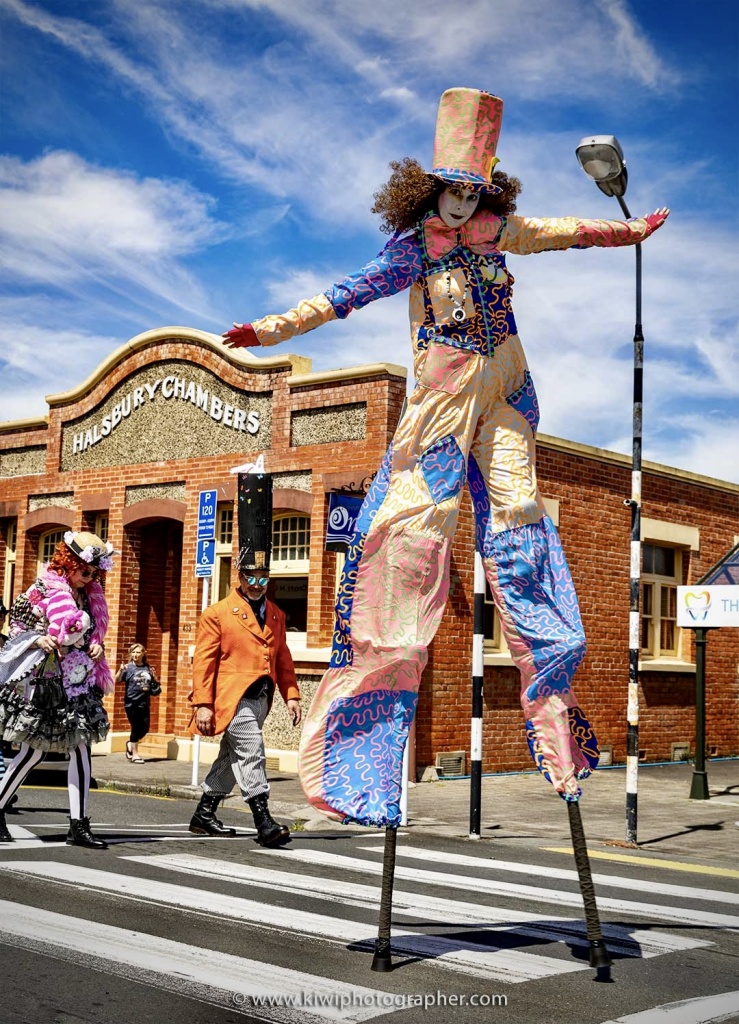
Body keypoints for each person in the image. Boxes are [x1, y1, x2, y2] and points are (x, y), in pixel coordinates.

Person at [223, 87, 670, 828]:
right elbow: (343, 294)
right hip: (442, 387)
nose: (463, 206)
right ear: (431, 189)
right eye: (453, 192)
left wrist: (628, 235)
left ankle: (552, 714)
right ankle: (365, 741)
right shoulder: (413, 249)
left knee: (520, 521)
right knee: (414, 526)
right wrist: (271, 331)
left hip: (507, 384)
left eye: (473, 192)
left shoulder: (500, 233)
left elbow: (566, 232)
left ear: (485, 191)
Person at [0, 531, 115, 847]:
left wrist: (97, 648)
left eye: (94, 573)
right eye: (85, 571)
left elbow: (92, 634)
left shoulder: (91, 594)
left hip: (77, 683)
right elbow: (16, 627)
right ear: (70, 563)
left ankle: (78, 825)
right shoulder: (43, 588)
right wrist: (39, 639)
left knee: (81, 746)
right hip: (45, 680)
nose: (89, 578)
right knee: (33, 751)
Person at [188, 550, 302, 847]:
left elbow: (283, 659)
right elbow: (204, 662)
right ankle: (263, 821)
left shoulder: (276, 614)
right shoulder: (218, 613)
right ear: (239, 578)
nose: (256, 583)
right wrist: (202, 703)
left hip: (260, 699)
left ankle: (204, 814)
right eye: (250, 577)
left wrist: (291, 694)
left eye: (262, 577)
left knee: (230, 758)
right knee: (252, 751)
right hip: (232, 699)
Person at [115, 643, 161, 763]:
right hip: (131, 703)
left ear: (143, 653)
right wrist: (120, 671)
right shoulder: (128, 667)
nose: (135, 655)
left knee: (144, 729)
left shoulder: (147, 668)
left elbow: (153, 685)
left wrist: (155, 678)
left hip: (144, 703)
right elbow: (116, 680)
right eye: (133, 652)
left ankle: (130, 744)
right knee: (135, 728)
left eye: (138, 652)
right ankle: (135, 754)